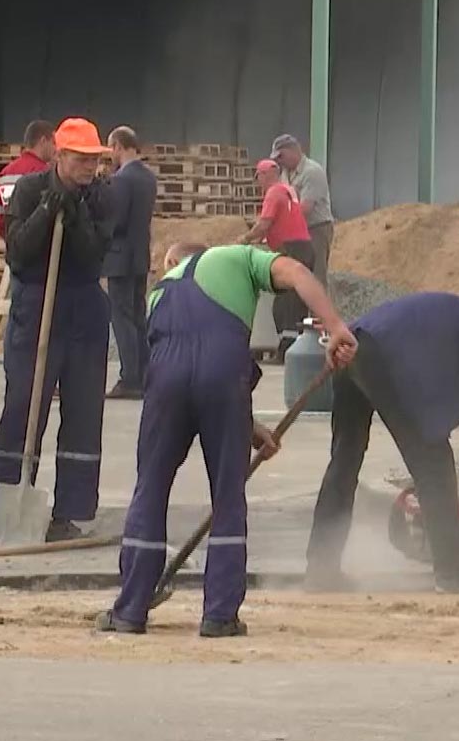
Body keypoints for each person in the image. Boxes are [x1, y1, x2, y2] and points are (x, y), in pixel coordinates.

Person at [98, 242, 356, 638]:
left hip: (165, 380)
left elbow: (184, 365)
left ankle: (130, 609)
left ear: (173, 262)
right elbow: (299, 274)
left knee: (150, 488)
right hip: (222, 375)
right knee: (227, 494)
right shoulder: (241, 256)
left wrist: (250, 430)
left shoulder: (159, 292)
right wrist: (335, 327)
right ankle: (219, 614)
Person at [306, 291, 459, 594]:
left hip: (354, 343)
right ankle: (455, 573)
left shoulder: (458, 318)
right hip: (384, 358)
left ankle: (321, 569)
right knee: (434, 466)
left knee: (344, 461)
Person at [0, 118, 113, 550]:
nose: (89, 167)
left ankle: (70, 511)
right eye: (81, 159)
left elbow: (92, 256)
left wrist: (78, 211)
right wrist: (50, 208)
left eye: (95, 159)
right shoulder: (29, 189)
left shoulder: (104, 196)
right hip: (37, 303)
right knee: (23, 407)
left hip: (83, 304)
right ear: (60, 155)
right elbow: (20, 251)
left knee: (84, 412)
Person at [103, 126, 157, 401]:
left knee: (121, 317)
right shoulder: (148, 178)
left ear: (119, 146)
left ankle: (130, 377)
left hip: (119, 257)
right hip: (139, 256)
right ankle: (146, 372)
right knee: (138, 315)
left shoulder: (121, 180)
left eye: (111, 148)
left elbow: (117, 220)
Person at [241, 159, 318, 351]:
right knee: (298, 297)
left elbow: (264, 223)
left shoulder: (273, 192)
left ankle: (286, 348)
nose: (259, 183)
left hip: (291, 249)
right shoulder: (288, 190)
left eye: (258, 177)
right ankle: (299, 345)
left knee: (284, 300)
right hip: (305, 247)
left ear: (264, 175)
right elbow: (282, 221)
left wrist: (245, 238)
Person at [270, 135, 334, 284]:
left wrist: (279, 225)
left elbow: (305, 208)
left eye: (281, 156)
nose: (279, 161)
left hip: (316, 228)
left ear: (294, 150)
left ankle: (319, 307)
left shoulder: (312, 172)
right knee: (298, 276)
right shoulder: (285, 173)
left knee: (316, 275)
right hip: (296, 230)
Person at [0, 120, 58, 236]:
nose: (55, 149)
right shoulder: (46, 174)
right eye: (53, 143)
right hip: (41, 248)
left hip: (14, 246)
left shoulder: (5, 174)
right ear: (43, 141)